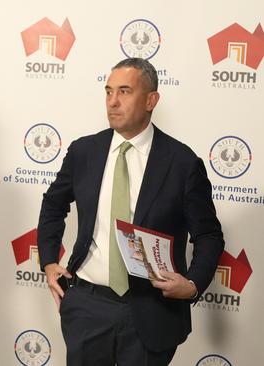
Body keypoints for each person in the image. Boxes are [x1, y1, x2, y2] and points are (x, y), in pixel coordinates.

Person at [37, 57, 224, 366]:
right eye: (108, 91)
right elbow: (53, 205)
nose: (113, 101)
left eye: (124, 91)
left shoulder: (182, 163)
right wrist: (48, 261)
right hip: (87, 306)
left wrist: (191, 285)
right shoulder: (83, 152)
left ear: (151, 99)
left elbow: (208, 236)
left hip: (152, 310)